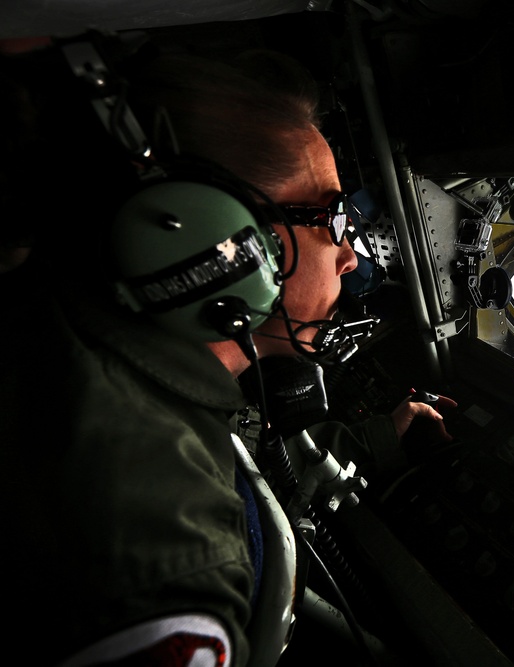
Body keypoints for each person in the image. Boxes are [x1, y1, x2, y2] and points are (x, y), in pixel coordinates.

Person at [0, 36, 450, 666]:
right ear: (221, 239)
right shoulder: (160, 552)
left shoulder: (77, 332)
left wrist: (378, 437)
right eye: (331, 219)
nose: (349, 255)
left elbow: (245, 460)